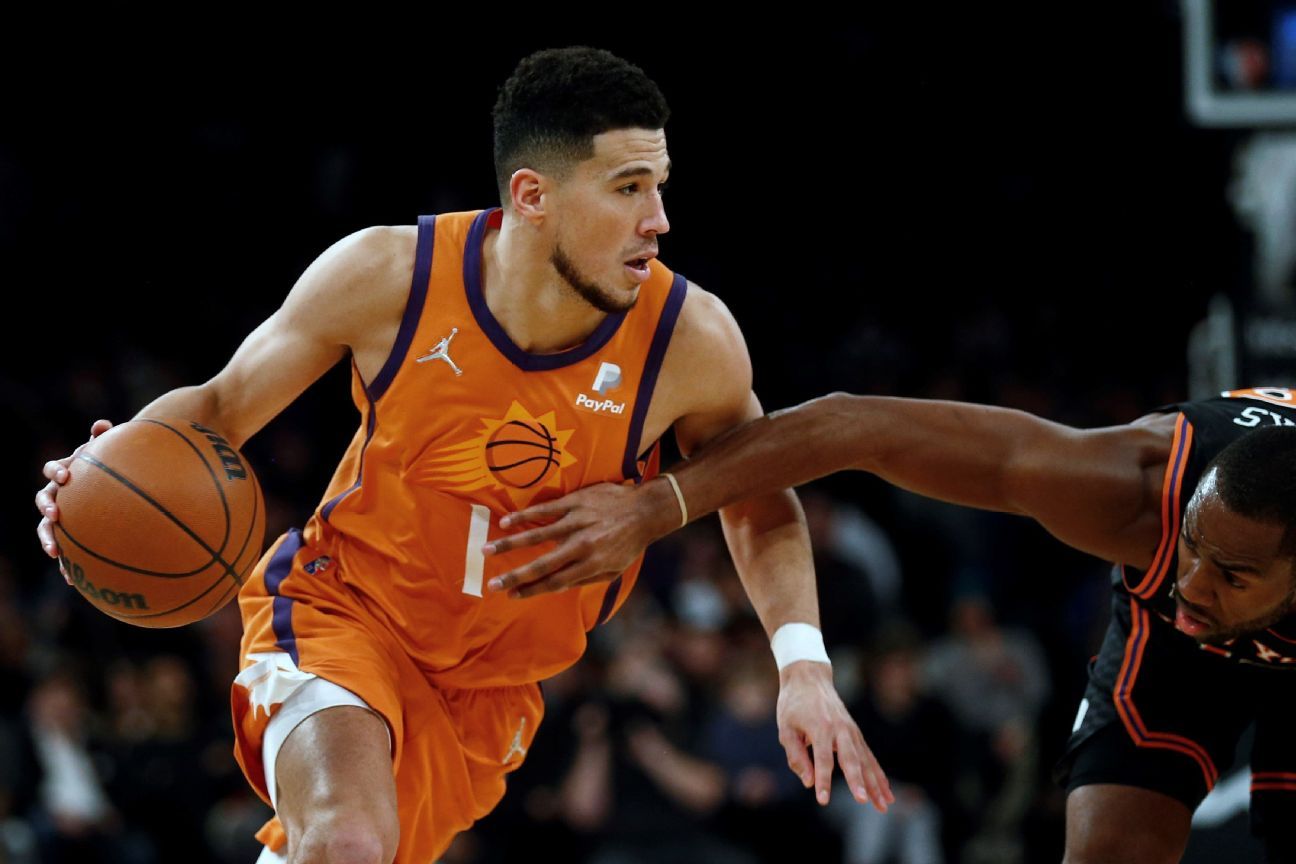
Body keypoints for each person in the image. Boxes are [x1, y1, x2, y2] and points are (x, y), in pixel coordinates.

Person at [34, 47, 891, 864]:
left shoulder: (688, 340)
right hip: (345, 611)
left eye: (659, 186)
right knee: (347, 840)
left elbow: (758, 494)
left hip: (492, 692)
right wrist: (104, 468)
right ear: (532, 195)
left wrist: (803, 668)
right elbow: (219, 406)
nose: (658, 220)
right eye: (629, 188)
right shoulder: (387, 276)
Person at [484, 386, 1296, 864]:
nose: (1192, 581)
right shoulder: (1134, 490)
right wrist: (660, 505)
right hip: (1173, 652)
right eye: (1191, 547)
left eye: (1229, 571)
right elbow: (856, 425)